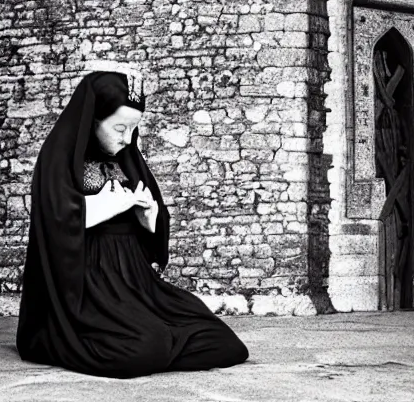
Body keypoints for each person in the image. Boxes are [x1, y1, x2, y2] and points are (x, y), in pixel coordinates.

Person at [16, 67, 250, 377]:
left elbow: (154, 228)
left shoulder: (128, 157)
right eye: (119, 127)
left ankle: (155, 340)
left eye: (134, 129)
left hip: (137, 283)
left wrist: (149, 219)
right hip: (89, 288)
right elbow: (52, 222)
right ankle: (146, 341)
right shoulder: (59, 157)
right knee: (144, 347)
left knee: (224, 342)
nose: (128, 139)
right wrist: (99, 207)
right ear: (92, 119)